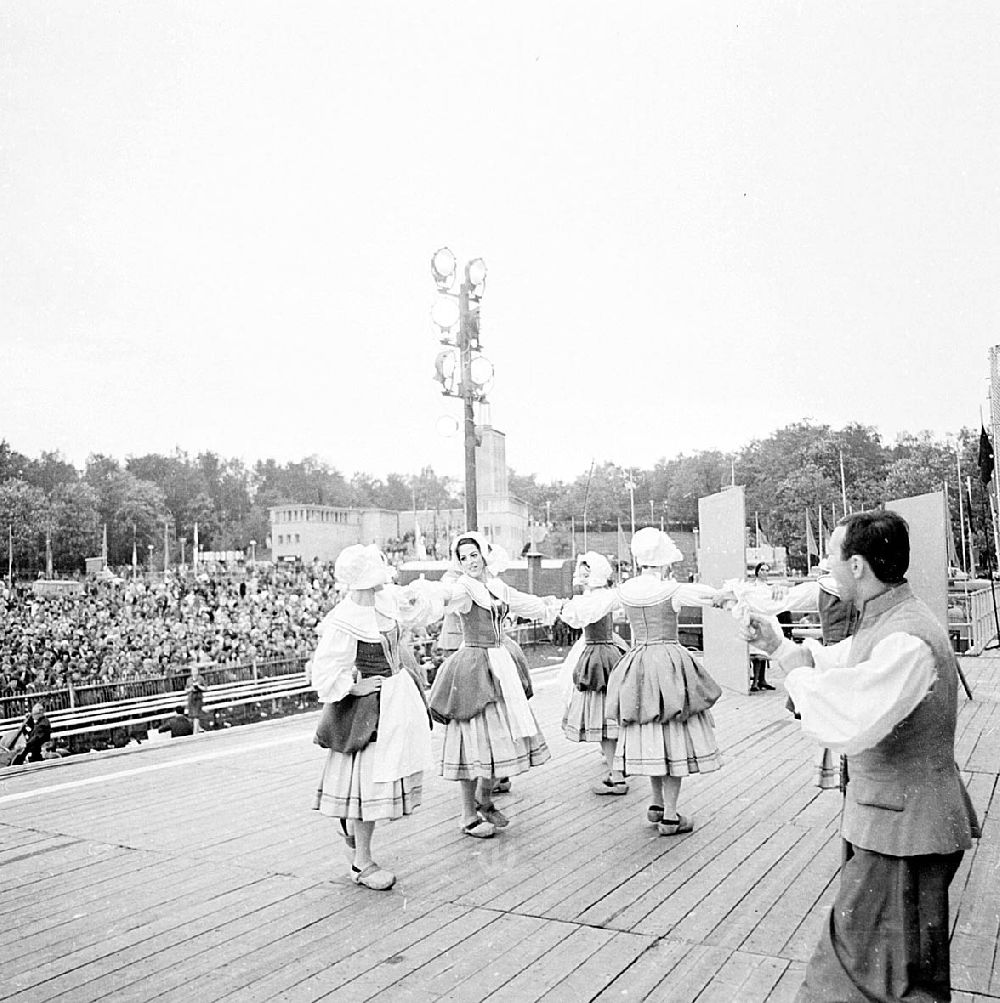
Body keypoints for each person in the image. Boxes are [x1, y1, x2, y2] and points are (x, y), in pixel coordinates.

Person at [742, 511, 979, 1002]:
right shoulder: (892, 621)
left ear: (855, 566)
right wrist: (780, 646)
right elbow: (840, 661)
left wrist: (790, 669)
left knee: (874, 982)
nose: (826, 566)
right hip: (895, 826)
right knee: (889, 973)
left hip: (903, 833)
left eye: (831, 556)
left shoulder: (905, 637)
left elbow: (848, 720)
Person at [311, 544, 432, 891]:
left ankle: (354, 839)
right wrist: (354, 686)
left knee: (376, 784)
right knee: (368, 785)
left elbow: (414, 608)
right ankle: (361, 861)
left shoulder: (385, 600)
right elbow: (326, 671)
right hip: (368, 712)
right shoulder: (346, 618)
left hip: (396, 699)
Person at [423, 532, 558, 839]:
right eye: (463, 557)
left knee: (498, 737)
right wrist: (422, 594)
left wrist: (554, 606)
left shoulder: (495, 586)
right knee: (472, 741)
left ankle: (485, 800)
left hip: (499, 666)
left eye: (473, 554)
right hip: (473, 666)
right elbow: (443, 597)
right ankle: (467, 814)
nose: (469, 561)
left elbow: (525, 603)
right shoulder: (464, 589)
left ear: (484, 555)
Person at [606, 528, 727, 835]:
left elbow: (593, 607)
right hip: (670, 664)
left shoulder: (626, 590)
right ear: (663, 561)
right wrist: (726, 597)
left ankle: (656, 803)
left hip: (639, 663)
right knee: (673, 734)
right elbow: (708, 596)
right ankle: (671, 815)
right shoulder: (671, 589)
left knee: (648, 731)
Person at [558, 551, 629, 794]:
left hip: (597, 654)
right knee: (609, 716)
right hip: (607, 649)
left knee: (601, 716)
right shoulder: (601, 596)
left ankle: (615, 774)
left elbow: (575, 618)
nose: (583, 576)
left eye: (588, 572)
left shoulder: (592, 599)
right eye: (582, 572)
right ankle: (617, 765)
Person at [185, 665, 206, 734]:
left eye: (196, 671)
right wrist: (190, 689)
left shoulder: (201, 678)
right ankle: (198, 728)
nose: (195, 673)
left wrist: (198, 686)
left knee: (196, 716)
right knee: (192, 717)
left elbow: (205, 688)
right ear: (191, 672)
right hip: (191, 699)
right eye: (193, 671)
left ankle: (195, 733)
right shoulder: (188, 680)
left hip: (198, 698)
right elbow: (186, 690)